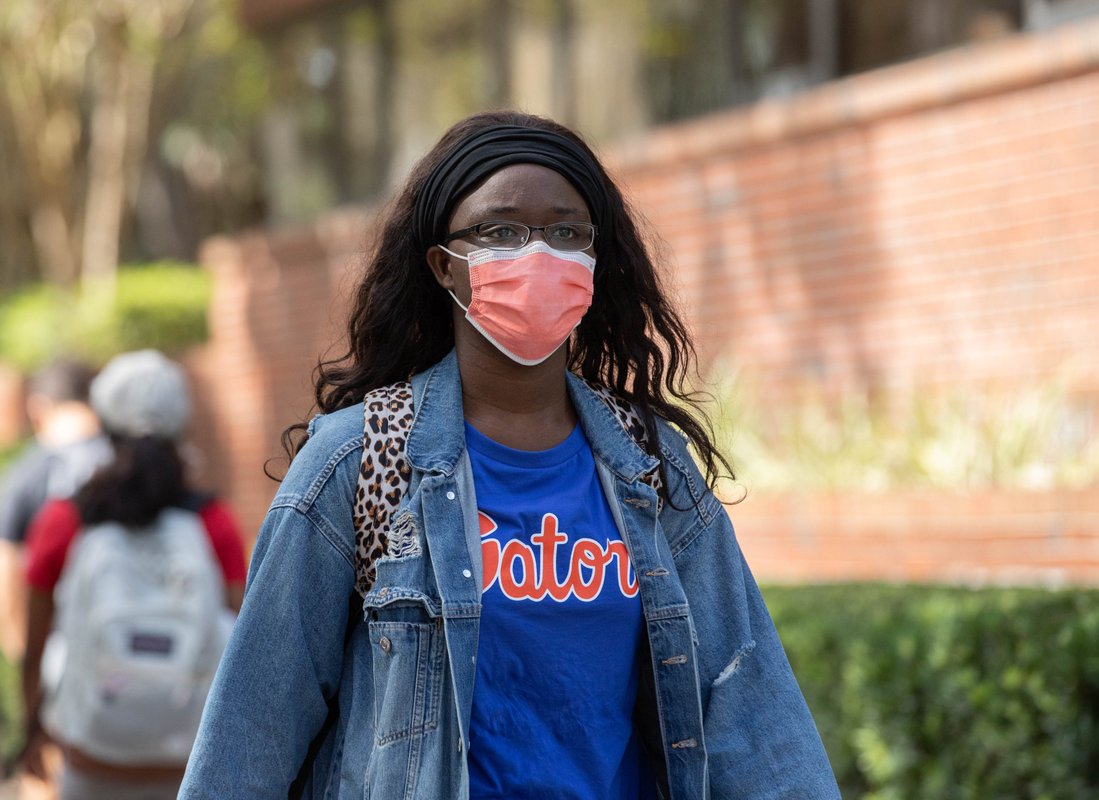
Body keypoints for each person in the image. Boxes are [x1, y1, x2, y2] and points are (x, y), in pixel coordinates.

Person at [179, 110, 840, 799]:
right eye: (499, 231)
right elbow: (251, 730)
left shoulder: (649, 464)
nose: (537, 254)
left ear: (593, 259)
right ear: (444, 265)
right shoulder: (359, 462)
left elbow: (748, 698)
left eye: (566, 232)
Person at [20, 350, 247, 800]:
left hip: (91, 757)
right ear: (181, 428)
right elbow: (243, 636)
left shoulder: (65, 520)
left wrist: (31, 731)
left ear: (102, 427)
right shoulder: (213, 521)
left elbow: (35, 645)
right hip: (189, 759)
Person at [0, 359, 111, 661]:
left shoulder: (26, 475)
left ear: (37, 408)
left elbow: (8, 579)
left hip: (61, 653)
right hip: (150, 652)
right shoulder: (130, 464)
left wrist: (26, 660)